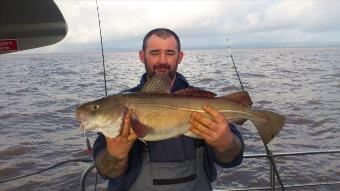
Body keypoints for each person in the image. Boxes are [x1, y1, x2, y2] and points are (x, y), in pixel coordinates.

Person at [93, 28, 244, 191]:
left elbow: (232, 159)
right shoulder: (119, 104)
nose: (162, 60)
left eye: (170, 53)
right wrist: (116, 154)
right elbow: (106, 171)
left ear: (180, 57)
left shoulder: (202, 102)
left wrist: (225, 143)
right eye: (155, 52)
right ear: (142, 56)